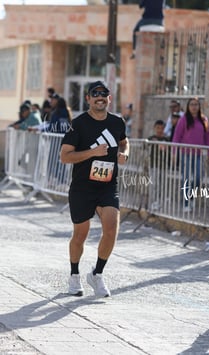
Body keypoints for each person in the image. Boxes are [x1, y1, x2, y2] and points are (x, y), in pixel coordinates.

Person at [60, 80, 129, 298]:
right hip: (82, 187)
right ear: (88, 98)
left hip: (108, 185)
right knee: (80, 234)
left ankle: (97, 274)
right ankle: (74, 275)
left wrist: (125, 152)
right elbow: (65, 156)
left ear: (109, 98)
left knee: (111, 228)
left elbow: (124, 141)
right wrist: (92, 153)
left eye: (104, 93)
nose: (100, 97)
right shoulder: (78, 124)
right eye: (95, 93)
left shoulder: (118, 122)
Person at [172, 97, 209, 209]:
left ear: (199, 106)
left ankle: (191, 197)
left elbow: (208, 138)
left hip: (198, 154)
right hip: (186, 154)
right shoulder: (183, 119)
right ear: (188, 107)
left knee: (199, 177)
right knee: (186, 178)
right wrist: (174, 152)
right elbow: (176, 136)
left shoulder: (204, 120)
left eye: (196, 104)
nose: (194, 107)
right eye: (191, 105)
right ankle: (185, 203)